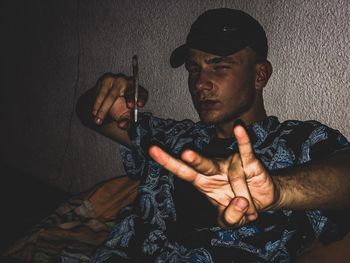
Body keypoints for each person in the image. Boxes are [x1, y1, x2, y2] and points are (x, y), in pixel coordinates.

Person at [75, 8, 350, 263]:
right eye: (194, 68)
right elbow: (93, 118)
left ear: (260, 75)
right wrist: (108, 98)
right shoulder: (172, 137)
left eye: (218, 65)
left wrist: (278, 191)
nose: (199, 83)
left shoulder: (297, 141)